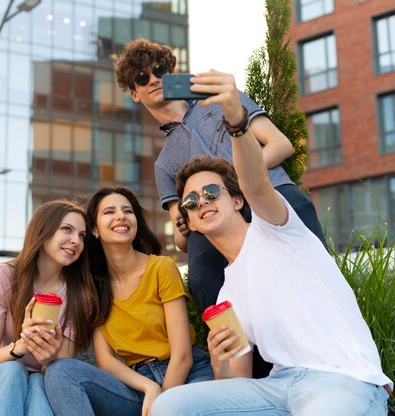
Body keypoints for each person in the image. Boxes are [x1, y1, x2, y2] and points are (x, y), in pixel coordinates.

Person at [150, 70, 392, 415]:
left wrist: (236, 122)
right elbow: (236, 383)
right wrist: (220, 361)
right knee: (170, 406)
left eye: (212, 192)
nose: (201, 201)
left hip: (341, 380)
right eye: (190, 201)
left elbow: (256, 182)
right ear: (188, 221)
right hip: (278, 388)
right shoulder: (225, 300)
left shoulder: (275, 228)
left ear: (236, 201)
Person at [114, 38, 327, 318]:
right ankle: (242, 353)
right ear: (135, 94)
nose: (153, 79)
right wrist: (184, 225)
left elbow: (281, 144)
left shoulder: (222, 101)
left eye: (160, 72)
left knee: (312, 266)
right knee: (201, 274)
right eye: (142, 78)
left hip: (270, 191)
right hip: (215, 218)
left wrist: (234, 180)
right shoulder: (164, 163)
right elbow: (180, 239)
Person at [45, 187, 213, 416]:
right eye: (109, 212)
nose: (121, 216)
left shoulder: (161, 268)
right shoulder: (95, 286)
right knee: (60, 372)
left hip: (188, 375)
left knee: (183, 409)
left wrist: (161, 404)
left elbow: (182, 355)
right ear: (94, 229)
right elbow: (106, 361)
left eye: (127, 211)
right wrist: (149, 387)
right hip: (137, 386)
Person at [0, 200, 98, 416]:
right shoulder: (3, 277)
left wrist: (48, 355)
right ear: (43, 231)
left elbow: (60, 372)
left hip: (41, 384)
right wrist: (22, 345)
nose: (76, 241)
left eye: (82, 236)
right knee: (13, 370)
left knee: (38, 382)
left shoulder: (80, 294)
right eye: (67, 229)